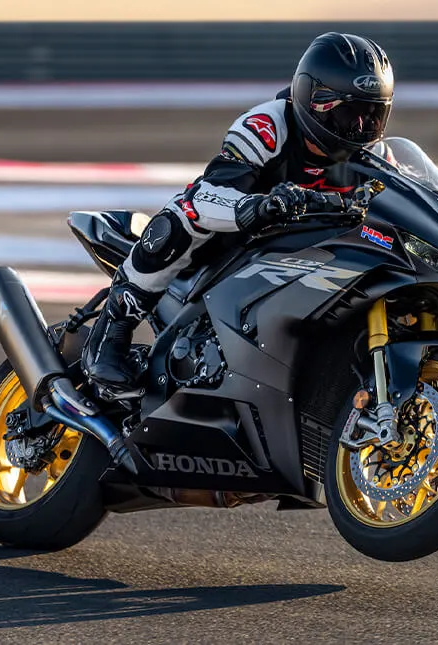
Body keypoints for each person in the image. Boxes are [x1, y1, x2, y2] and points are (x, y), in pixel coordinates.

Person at [82, 32, 395, 397]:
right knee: (178, 218)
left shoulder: (377, 158)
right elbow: (208, 193)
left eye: (373, 115)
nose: (360, 128)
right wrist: (256, 206)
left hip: (311, 258)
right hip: (233, 243)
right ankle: (110, 336)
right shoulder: (269, 126)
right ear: (315, 102)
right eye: (349, 113)